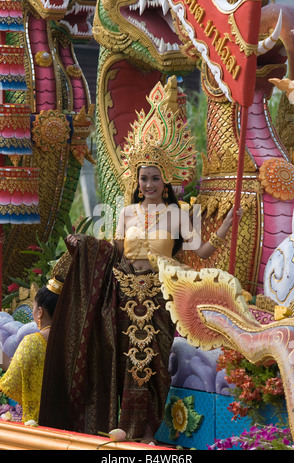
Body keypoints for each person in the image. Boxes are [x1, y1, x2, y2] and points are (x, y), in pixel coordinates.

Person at [38, 77, 242, 443]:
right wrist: (85, 245)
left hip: (159, 296)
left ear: (166, 182)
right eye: (143, 178)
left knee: (151, 366)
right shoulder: (128, 212)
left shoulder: (179, 213)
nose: (148, 184)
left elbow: (201, 253)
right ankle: (125, 430)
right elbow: (115, 248)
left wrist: (224, 229)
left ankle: (147, 432)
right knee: (121, 360)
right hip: (121, 293)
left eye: (154, 179)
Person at [0, 277, 63, 424]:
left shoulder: (31, 342)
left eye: (33, 308)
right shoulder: (73, 341)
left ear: (39, 312)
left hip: (37, 421)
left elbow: (11, 381)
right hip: (69, 420)